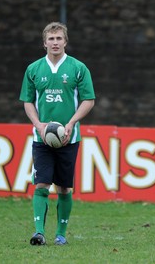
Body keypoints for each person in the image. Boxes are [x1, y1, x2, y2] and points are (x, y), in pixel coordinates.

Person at [19, 22, 95, 246]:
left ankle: (61, 234)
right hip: (41, 138)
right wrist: (39, 125)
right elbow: (28, 102)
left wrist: (71, 123)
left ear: (65, 42)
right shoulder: (33, 69)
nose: (55, 43)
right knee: (41, 184)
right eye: (51, 39)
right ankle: (39, 232)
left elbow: (88, 100)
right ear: (44, 43)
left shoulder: (78, 68)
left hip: (68, 138)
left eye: (59, 38)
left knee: (64, 187)